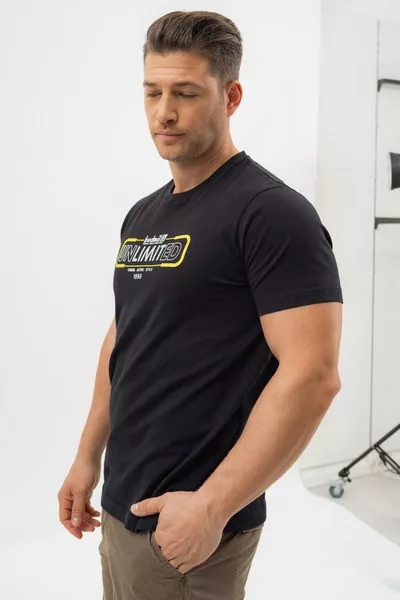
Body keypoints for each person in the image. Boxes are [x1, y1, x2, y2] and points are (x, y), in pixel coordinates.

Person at [57, 10, 343, 600]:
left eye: (185, 93)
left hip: (191, 525)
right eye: (153, 92)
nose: (164, 112)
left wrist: (211, 507)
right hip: (125, 506)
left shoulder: (271, 214)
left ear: (231, 96)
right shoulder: (143, 215)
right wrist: (87, 457)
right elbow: (125, 334)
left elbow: (313, 374)